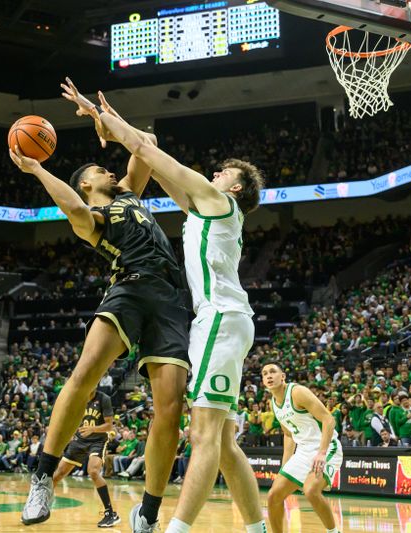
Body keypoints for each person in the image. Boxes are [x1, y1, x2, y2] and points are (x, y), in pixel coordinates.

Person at [71, 80, 267, 533]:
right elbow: (155, 164)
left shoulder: (217, 201)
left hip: (219, 318)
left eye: (222, 172)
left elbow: (151, 152)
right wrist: (120, 130)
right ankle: (258, 529)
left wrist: (106, 120)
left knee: (201, 436)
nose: (214, 173)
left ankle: (174, 528)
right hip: (222, 320)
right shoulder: (202, 210)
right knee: (222, 441)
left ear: (234, 188)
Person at [10, 93, 190, 528]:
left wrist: (101, 116)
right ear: (86, 184)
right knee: (86, 371)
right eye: (96, 171)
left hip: (171, 299)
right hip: (128, 288)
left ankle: (147, 513)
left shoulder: (129, 192)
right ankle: (42, 475)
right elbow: (71, 206)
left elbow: (144, 142)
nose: (107, 170)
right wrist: (36, 167)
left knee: (171, 407)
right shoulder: (94, 216)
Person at [262, 362, 343, 533]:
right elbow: (288, 435)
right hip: (303, 451)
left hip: (326, 447)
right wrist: (285, 465)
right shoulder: (273, 403)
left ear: (282, 376)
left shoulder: (297, 392)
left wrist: (321, 453)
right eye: (264, 374)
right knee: (273, 496)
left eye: (273, 372)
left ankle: (334, 531)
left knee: (311, 490)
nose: (269, 376)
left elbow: (329, 419)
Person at [49, 389, 120, 528]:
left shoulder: (104, 398)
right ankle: (42, 504)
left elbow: (109, 425)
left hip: (98, 440)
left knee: (93, 471)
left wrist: (92, 429)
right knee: (58, 474)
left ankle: (110, 513)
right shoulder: (78, 398)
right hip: (79, 440)